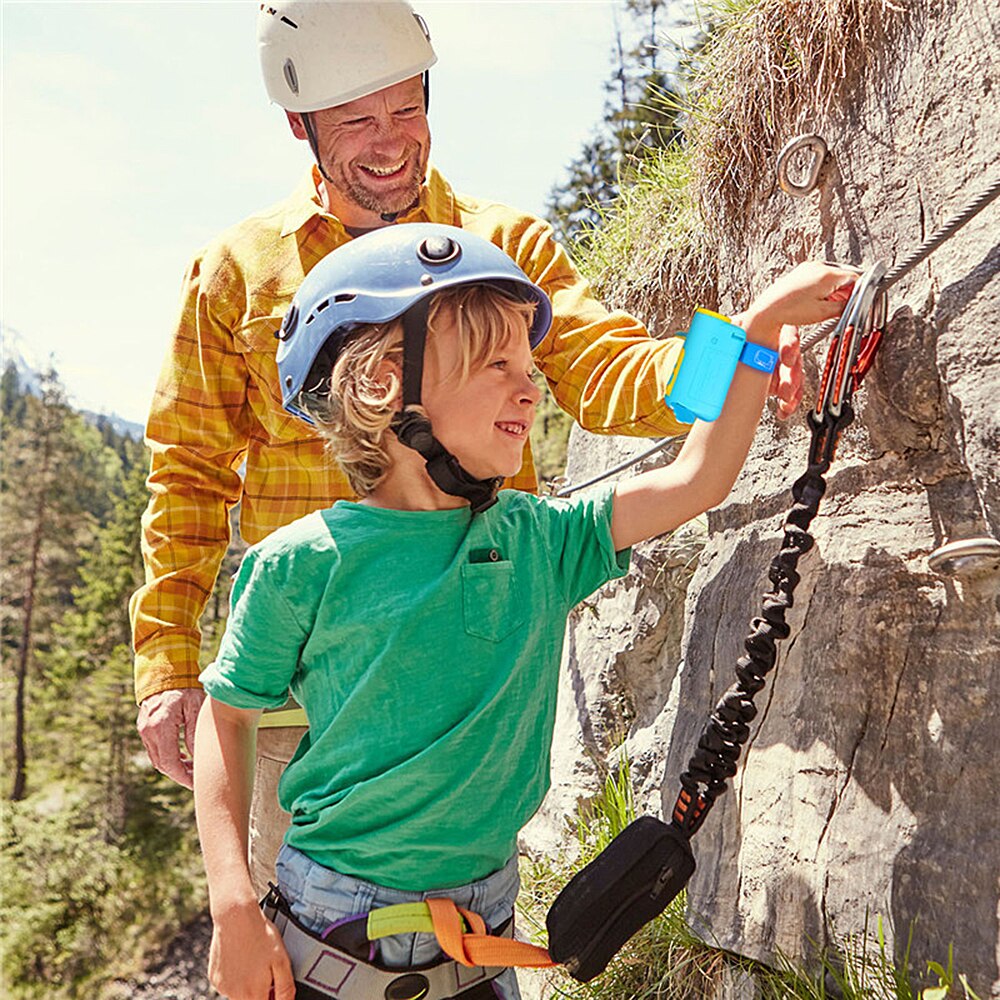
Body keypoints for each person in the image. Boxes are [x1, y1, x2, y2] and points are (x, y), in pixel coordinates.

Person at [131, 0, 805, 894]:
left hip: (473, 673)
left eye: (406, 107)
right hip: (308, 699)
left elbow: (607, 369)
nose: (390, 141)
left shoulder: (502, 246)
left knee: (465, 924)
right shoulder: (236, 274)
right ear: (299, 124)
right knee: (308, 940)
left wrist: (737, 362)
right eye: (357, 120)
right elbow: (189, 470)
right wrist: (168, 662)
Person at [192, 223, 854, 1000]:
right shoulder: (302, 562)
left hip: (483, 937)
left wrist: (755, 330)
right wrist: (233, 904)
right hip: (333, 935)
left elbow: (696, 478)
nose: (529, 387)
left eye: (530, 366)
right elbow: (227, 714)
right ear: (380, 383)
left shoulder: (541, 536)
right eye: (498, 363)